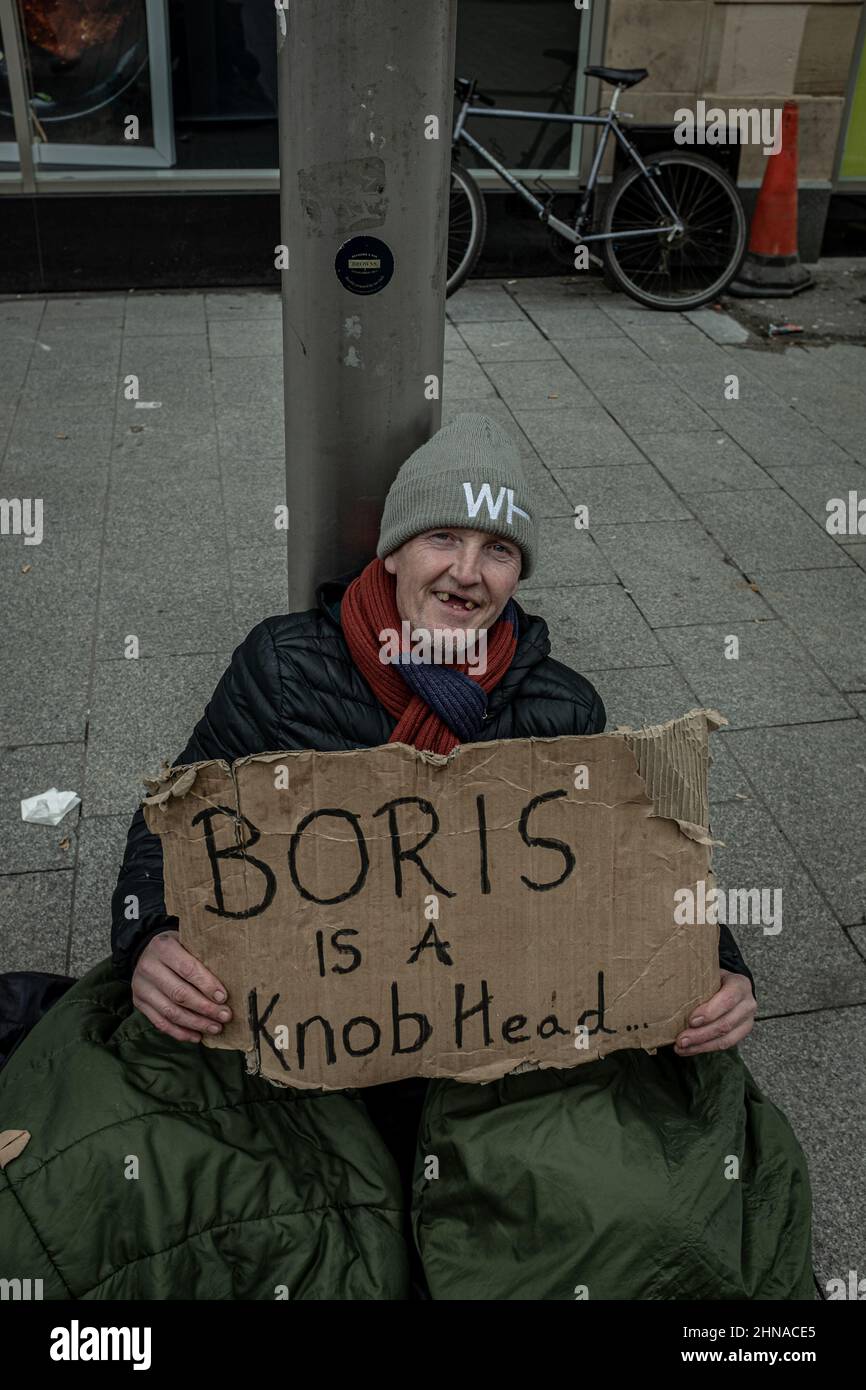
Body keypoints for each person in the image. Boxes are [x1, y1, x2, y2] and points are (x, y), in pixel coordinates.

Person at [0, 414, 813, 1300]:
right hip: (304, 1044)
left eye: (499, 550)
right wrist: (151, 939)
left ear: (520, 575)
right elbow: (168, 831)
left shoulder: (560, 706)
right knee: (140, 1193)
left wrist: (722, 971)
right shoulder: (285, 667)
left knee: (639, 1216)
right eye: (443, 539)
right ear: (390, 553)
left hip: (487, 1060)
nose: (468, 573)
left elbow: (637, 872)